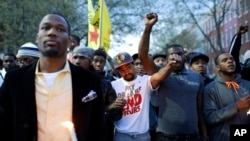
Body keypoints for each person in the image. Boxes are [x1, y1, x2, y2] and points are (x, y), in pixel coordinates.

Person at [0, 13, 104, 141]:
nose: (52, 33)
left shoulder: (90, 81)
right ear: (37, 38)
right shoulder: (14, 80)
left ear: (69, 41)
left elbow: (97, 129)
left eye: (60, 29)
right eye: (46, 27)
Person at [138, 13, 207, 141]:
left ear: (185, 56)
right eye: (172, 55)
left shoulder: (197, 77)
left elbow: (199, 110)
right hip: (165, 137)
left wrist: (204, 133)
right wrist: (148, 28)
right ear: (167, 58)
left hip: (193, 136)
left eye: (179, 54)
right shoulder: (158, 73)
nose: (176, 57)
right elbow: (142, 55)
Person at [111, 51, 177, 141]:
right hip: (122, 135)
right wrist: (110, 106)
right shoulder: (113, 85)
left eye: (128, 67)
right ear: (118, 71)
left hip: (142, 136)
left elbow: (159, 77)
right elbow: (101, 108)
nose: (126, 72)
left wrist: (170, 65)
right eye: (122, 70)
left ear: (133, 65)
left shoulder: (145, 81)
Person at [72, 46, 124, 141]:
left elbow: (115, 114)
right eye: (75, 57)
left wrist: (108, 108)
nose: (77, 61)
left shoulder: (103, 84)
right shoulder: (65, 81)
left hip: (96, 133)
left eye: (82, 58)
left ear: (89, 61)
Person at [203, 52, 250, 141]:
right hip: (222, 137)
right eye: (225, 60)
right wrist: (236, 106)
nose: (230, 62)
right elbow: (210, 118)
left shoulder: (247, 85)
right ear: (218, 67)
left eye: (232, 60)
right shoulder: (210, 89)